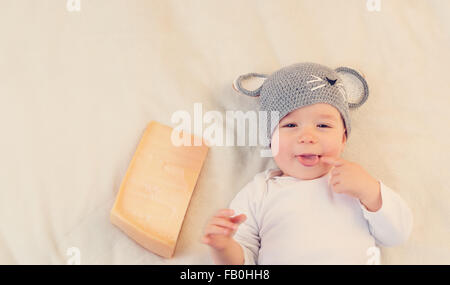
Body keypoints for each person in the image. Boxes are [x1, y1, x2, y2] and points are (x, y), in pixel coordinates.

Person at [201, 62, 413, 265]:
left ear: (343, 138)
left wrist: (371, 192)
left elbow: (397, 234)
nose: (307, 136)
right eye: (291, 124)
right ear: (270, 140)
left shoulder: (355, 183)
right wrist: (224, 247)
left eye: (323, 125)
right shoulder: (259, 192)